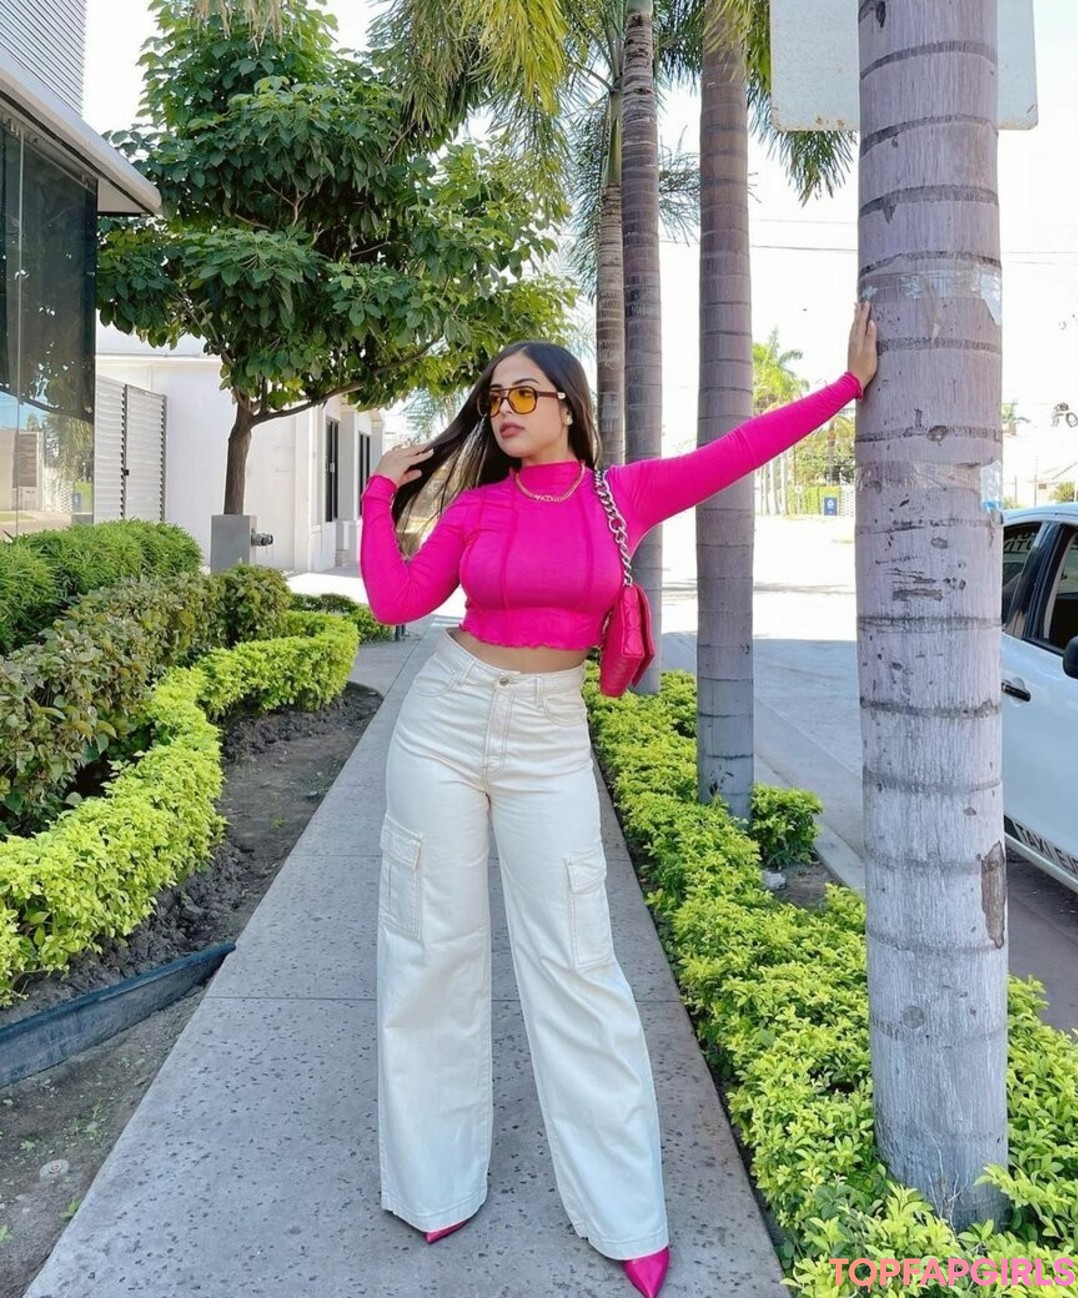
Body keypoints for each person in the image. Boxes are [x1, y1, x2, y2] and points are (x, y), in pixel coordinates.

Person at [359, 303, 878, 1297]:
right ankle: (432, 1183)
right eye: (493, 397)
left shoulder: (619, 496)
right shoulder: (474, 507)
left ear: (567, 405)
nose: (505, 410)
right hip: (445, 721)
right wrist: (383, 490)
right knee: (429, 947)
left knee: (578, 959)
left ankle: (623, 1209)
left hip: (549, 734)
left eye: (524, 393)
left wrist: (846, 389)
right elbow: (396, 601)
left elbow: (736, 452)